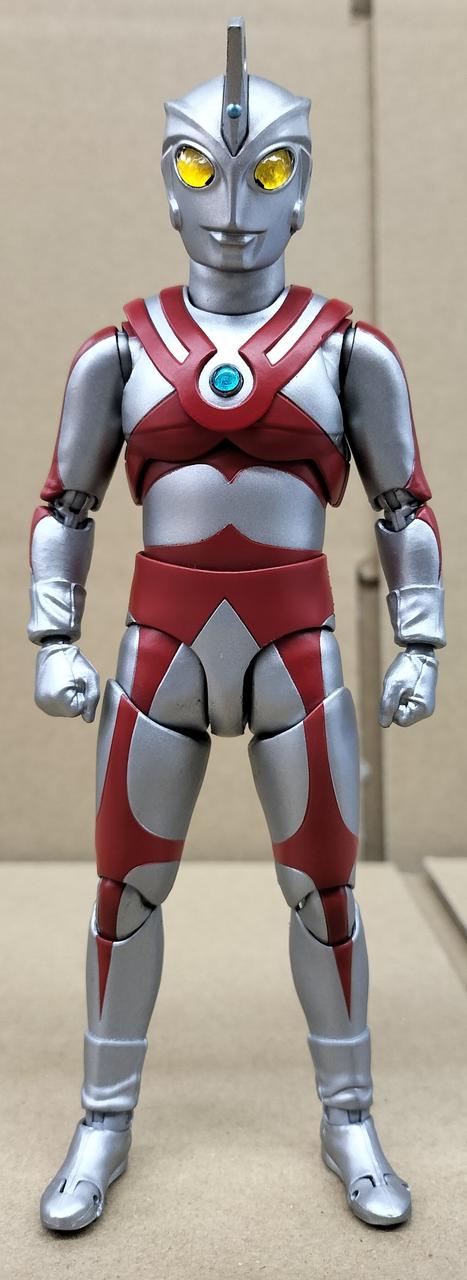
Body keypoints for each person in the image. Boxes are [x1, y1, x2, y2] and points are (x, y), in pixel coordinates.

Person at [28, 18, 444, 1231]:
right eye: (201, 171)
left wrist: (419, 640)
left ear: (301, 186)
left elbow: (404, 505)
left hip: (295, 656)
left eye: (263, 172)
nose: (230, 209)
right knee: (124, 891)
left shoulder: (348, 351)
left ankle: (348, 1112)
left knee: (324, 891)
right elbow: (63, 505)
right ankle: (103, 1119)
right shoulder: (120, 353)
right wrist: (51, 637)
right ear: (167, 183)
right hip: (156, 655)